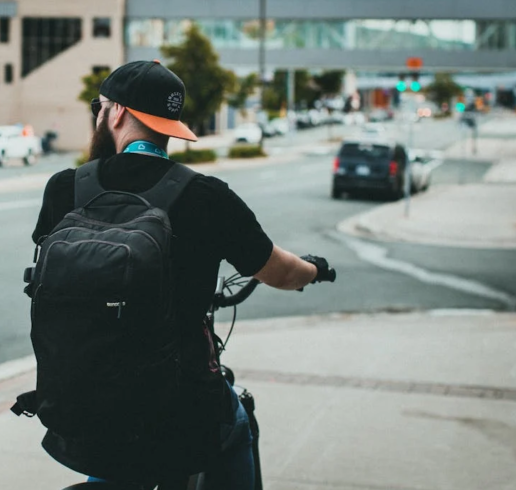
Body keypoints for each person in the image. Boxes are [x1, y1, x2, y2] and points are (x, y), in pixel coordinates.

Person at [31, 60, 333, 489]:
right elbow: (280, 271)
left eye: (97, 107)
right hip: (180, 406)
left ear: (115, 113)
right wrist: (315, 270)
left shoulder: (65, 188)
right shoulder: (206, 196)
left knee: (114, 461)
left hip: (83, 398)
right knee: (238, 427)